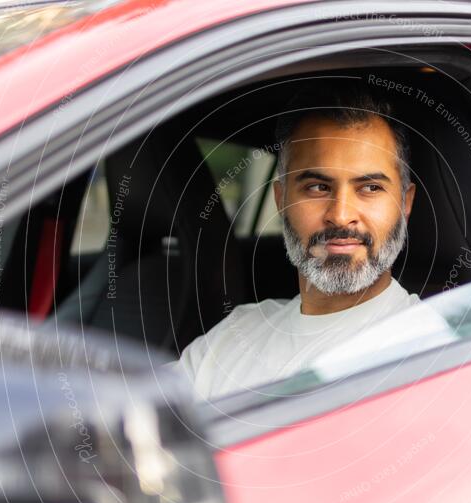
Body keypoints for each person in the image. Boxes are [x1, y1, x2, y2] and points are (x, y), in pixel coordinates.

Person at [178, 82, 419, 400]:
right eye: (318, 187)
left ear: (405, 204)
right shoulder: (233, 335)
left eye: (370, 187)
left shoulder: (426, 349)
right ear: (281, 199)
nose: (341, 215)